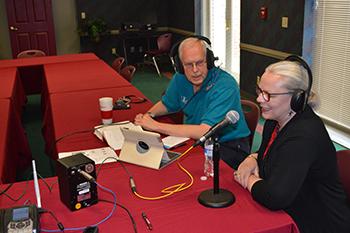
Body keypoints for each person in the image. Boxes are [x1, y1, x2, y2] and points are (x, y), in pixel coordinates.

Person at [234, 57, 350, 233]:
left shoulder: (304, 135)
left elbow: (275, 197)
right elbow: (273, 152)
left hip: (319, 223)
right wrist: (253, 158)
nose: (259, 99)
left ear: (296, 98)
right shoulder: (276, 119)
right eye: (260, 91)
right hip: (294, 209)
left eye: (268, 95)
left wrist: (247, 178)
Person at [134, 36, 250, 169]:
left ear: (209, 61)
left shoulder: (225, 84)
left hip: (228, 146)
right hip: (194, 139)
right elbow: (167, 104)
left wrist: (155, 126)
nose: (195, 70)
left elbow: (205, 131)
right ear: (179, 65)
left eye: (200, 62)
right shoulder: (180, 78)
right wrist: (149, 115)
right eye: (189, 65)